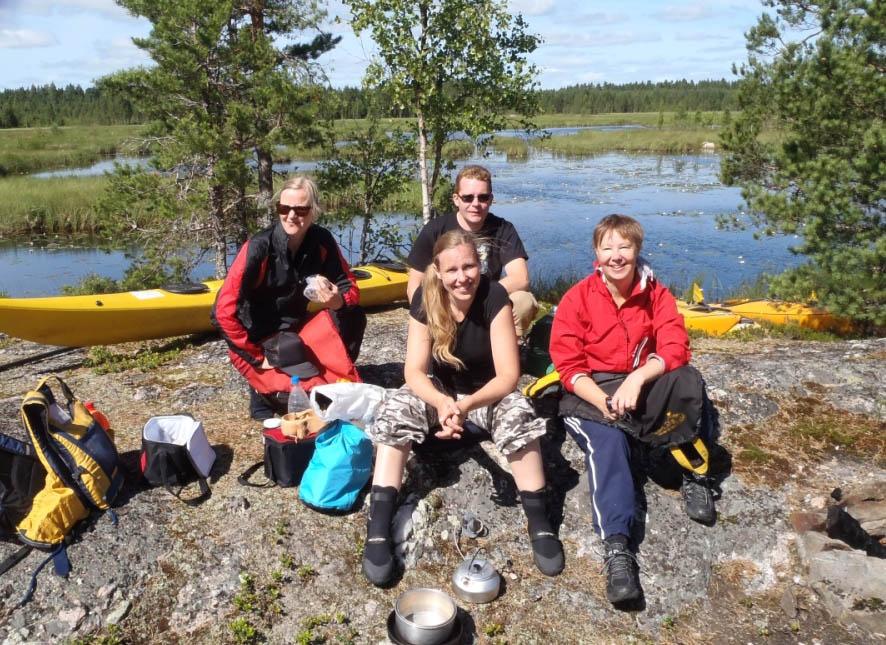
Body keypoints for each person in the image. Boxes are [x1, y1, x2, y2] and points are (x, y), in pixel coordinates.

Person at [362, 229, 564, 586]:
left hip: (484, 393)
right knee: (396, 409)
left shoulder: (494, 295)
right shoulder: (425, 298)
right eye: (452, 270)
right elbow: (413, 370)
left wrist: (466, 406)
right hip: (441, 391)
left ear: (479, 265)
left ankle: (539, 522)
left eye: (469, 267)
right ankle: (378, 529)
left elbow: (508, 375)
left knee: (519, 414)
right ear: (438, 271)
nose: (462, 278)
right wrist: (442, 403)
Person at [549, 214, 716, 605]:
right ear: (596, 253)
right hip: (590, 390)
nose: (616, 256)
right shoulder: (577, 297)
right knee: (609, 444)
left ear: (637, 249)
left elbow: (675, 347)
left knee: (688, 382)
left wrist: (639, 378)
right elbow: (569, 367)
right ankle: (618, 547)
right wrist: (602, 401)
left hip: (638, 379)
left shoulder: (656, 293)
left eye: (624, 247)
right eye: (607, 247)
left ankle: (694, 475)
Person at [212, 175, 366, 420]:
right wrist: (257, 357)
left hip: (297, 332)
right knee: (294, 400)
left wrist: (338, 301)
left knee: (353, 315)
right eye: (284, 208)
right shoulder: (259, 248)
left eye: (301, 209)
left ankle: (334, 369)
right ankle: (260, 391)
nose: (291, 216)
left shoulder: (321, 240)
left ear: (313, 211)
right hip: (260, 338)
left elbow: (349, 287)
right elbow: (221, 311)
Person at [406, 165, 538, 339]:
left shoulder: (503, 229)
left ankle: (505, 348)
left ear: (491, 199)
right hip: (447, 300)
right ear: (456, 199)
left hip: (486, 301)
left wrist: (479, 296)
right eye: (468, 198)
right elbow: (415, 284)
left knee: (524, 301)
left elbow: (521, 278)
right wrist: (432, 309)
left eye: (483, 197)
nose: (475, 204)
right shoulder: (435, 229)